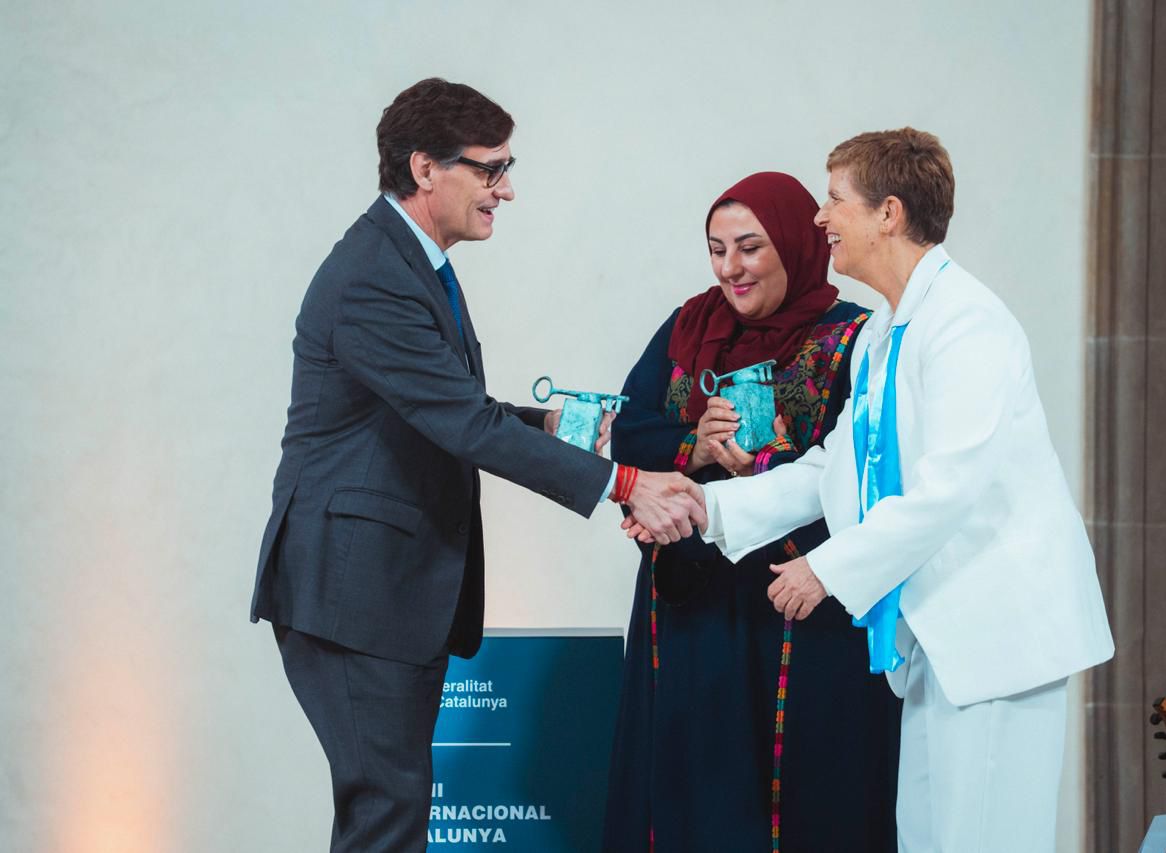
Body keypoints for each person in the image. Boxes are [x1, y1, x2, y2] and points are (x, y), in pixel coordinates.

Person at [249, 78, 704, 853]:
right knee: (387, 814)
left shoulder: (410, 260)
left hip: (381, 592)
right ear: (425, 168)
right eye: (490, 169)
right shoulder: (373, 275)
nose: (506, 189)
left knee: (389, 812)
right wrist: (625, 484)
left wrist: (546, 423)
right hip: (352, 593)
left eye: (506, 167)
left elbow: (441, 407)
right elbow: (462, 422)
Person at [627, 130, 1115, 852]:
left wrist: (825, 569)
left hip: (994, 637)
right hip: (932, 637)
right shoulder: (887, 328)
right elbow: (834, 466)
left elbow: (947, 490)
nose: (820, 217)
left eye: (835, 199)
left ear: (889, 213)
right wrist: (710, 507)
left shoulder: (967, 324)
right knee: (923, 838)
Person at [604, 172, 901, 852]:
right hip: (690, 602)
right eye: (717, 250)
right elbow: (627, 430)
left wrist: (762, 464)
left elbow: (858, 471)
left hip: (796, 605)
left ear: (794, 243)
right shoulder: (689, 325)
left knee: (795, 795)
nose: (730, 269)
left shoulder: (852, 337)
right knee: (689, 784)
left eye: (749, 247)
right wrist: (696, 445)